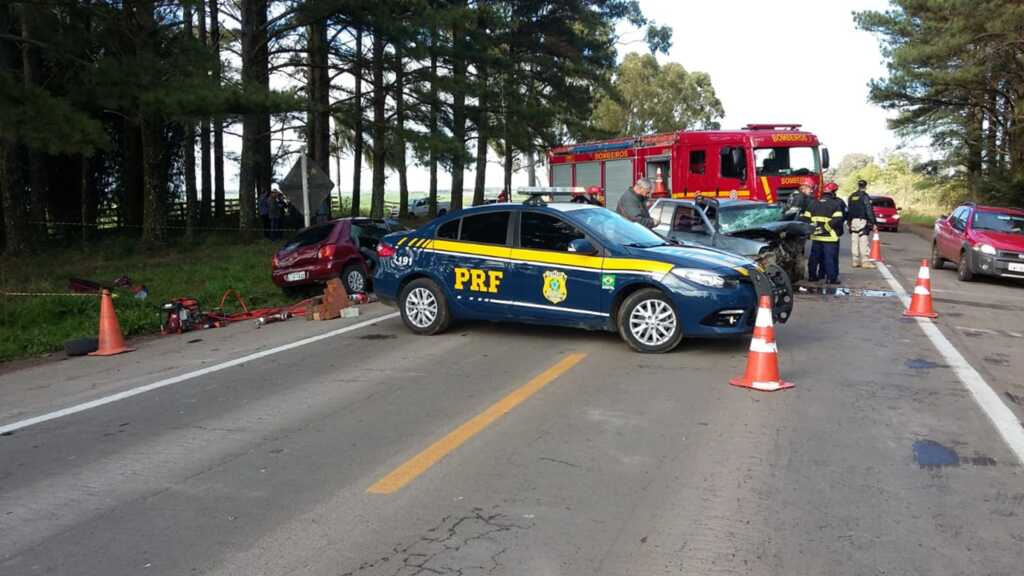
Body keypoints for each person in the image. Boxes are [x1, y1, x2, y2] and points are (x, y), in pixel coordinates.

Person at [801, 177, 846, 284]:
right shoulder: (836, 204)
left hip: (816, 236)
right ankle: (831, 278)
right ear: (833, 193)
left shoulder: (813, 203)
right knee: (830, 258)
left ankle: (812, 276)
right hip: (830, 237)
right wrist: (826, 228)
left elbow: (806, 218)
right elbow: (838, 220)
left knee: (814, 258)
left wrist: (812, 230)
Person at [847, 179, 877, 268]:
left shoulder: (852, 196)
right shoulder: (865, 197)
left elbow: (849, 209)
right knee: (863, 240)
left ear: (858, 186)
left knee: (854, 241)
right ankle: (865, 261)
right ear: (865, 186)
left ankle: (855, 261)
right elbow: (869, 210)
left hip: (853, 221)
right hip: (862, 221)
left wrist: (849, 222)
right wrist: (873, 222)